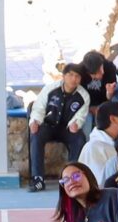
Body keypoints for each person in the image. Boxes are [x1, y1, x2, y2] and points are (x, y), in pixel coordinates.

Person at [28, 62, 89, 193]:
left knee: (79, 138)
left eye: (77, 76)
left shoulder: (84, 96)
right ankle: (37, 179)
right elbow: (38, 107)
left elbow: (81, 115)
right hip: (48, 126)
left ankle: (72, 176)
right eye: (70, 75)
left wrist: (76, 124)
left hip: (66, 129)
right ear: (64, 76)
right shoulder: (50, 89)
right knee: (36, 136)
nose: (74, 79)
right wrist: (35, 122)